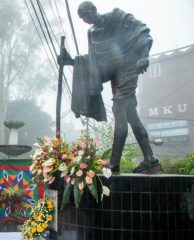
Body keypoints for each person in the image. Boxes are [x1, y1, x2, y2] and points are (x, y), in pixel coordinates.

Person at [59, 1, 162, 174]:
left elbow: (143, 33)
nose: (85, 20)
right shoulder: (91, 33)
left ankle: (114, 163)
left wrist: (144, 56)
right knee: (132, 116)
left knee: (119, 110)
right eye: (82, 18)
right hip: (115, 75)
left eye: (86, 15)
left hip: (129, 67)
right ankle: (150, 158)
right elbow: (94, 61)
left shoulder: (117, 17)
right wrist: (72, 61)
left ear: (93, 10)